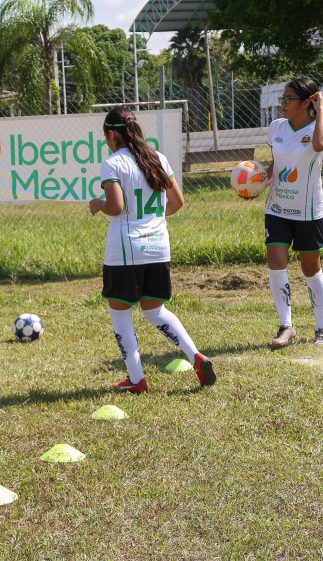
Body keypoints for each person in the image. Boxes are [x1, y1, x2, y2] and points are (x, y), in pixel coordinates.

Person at [89, 107, 216, 393]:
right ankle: (196, 356)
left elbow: (116, 206)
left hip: (126, 252)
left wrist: (97, 203)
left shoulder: (113, 163)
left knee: (121, 314)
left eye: (106, 137)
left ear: (111, 134)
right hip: (158, 248)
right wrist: (152, 223)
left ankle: (137, 380)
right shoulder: (158, 158)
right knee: (155, 310)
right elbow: (178, 201)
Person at [262, 78, 323, 349]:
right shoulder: (276, 128)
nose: (283, 103)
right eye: (283, 97)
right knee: (276, 261)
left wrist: (321, 109)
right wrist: (258, 180)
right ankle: (286, 327)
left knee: (310, 268)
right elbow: (277, 162)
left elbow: (319, 145)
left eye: (289, 99)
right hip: (277, 209)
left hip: (308, 212)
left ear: (307, 102)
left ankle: (322, 329)